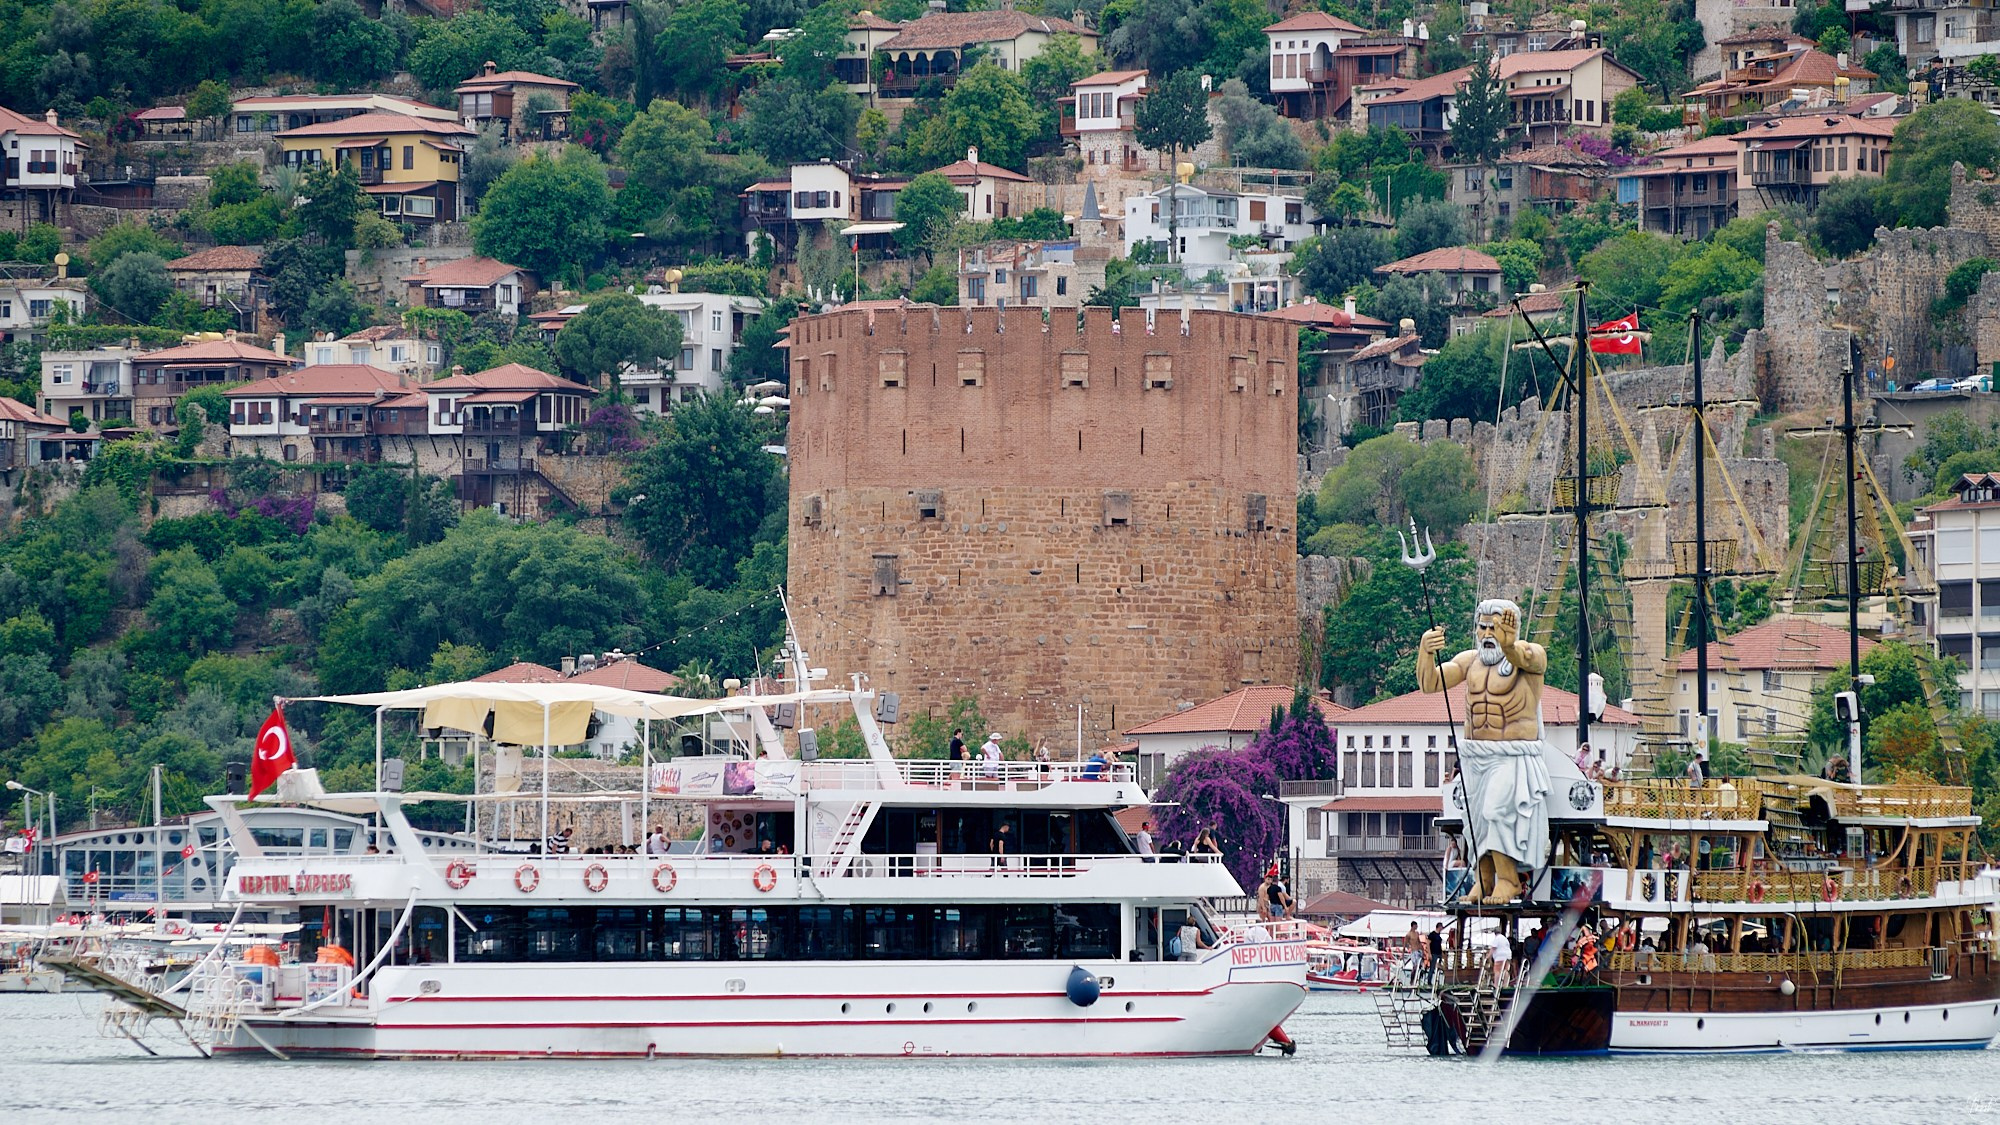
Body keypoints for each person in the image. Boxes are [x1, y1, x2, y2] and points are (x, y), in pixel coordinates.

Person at [1416, 599, 1552, 906]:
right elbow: (1430, 683)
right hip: (1475, 755)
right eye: (1483, 627)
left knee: (1495, 811)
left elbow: (1528, 659)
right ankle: (1484, 879)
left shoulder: (1530, 657)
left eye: (1496, 627)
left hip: (1511, 755)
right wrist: (1425, 651)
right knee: (1475, 821)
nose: (1489, 634)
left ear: (1513, 628)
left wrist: (1509, 645)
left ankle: (1509, 880)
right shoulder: (1470, 662)